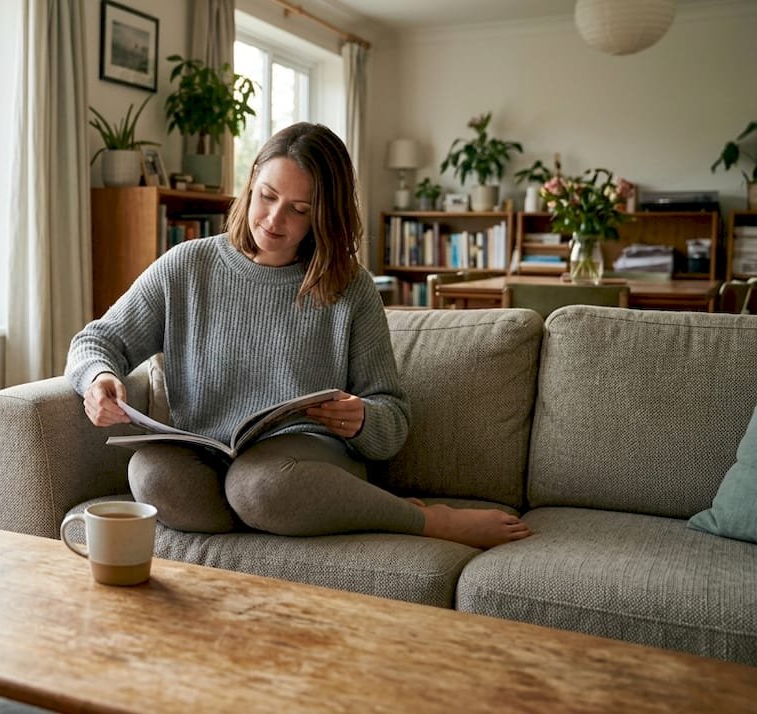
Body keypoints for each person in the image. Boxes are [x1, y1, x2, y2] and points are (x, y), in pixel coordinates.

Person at [65, 122, 530, 549]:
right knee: (150, 472)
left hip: (302, 461)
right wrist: (97, 378)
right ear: (251, 182)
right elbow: (95, 341)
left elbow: (392, 420)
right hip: (209, 454)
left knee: (260, 485)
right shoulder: (187, 266)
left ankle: (427, 520)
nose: (273, 219)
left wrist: (362, 418)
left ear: (323, 216)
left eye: (298, 209)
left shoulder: (350, 287)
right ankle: (274, 515)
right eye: (267, 196)